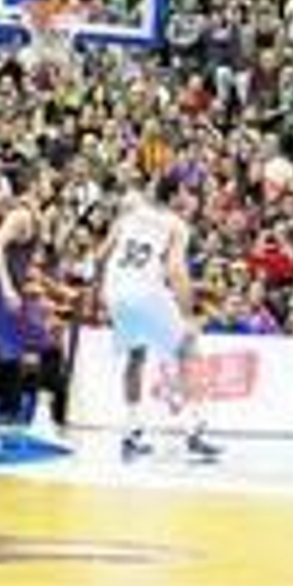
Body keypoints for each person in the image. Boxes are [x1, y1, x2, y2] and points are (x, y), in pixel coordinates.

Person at [99, 176, 220, 462]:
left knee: (136, 356)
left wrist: (101, 296)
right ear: (176, 194)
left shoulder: (129, 214)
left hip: (115, 289)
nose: (190, 198)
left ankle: (131, 432)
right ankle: (195, 430)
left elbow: (101, 255)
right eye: (187, 191)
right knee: (188, 349)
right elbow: (176, 271)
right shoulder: (177, 225)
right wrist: (188, 315)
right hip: (144, 289)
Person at [0, 169, 40, 426]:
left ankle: (3, 411)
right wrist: (6, 287)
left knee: (9, 350)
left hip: (1, 286)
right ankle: (5, 413)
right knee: (8, 352)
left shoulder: (17, 213)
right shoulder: (20, 215)